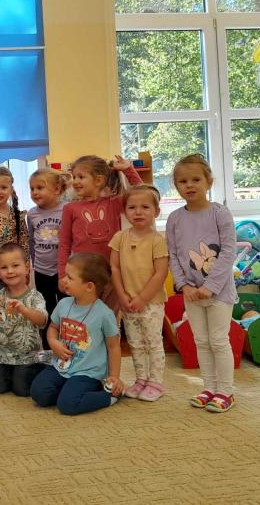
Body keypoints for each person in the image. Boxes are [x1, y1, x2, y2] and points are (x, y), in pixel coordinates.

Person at [166, 154, 238, 413]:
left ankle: (225, 392)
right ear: (176, 186)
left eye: (196, 179)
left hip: (218, 292)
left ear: (208, 181)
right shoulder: (175, 218)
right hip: (191, 292)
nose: (189, 185)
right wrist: (183, 285)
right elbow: (173, 254)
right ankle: (208, 388)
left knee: (218, 341)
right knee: (201, 341)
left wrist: (210, 286)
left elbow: (228, 251)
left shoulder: (220, 213)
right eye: (183, 181)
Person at [30, 252, 124, 416]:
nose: (64, 280)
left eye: (70, 277)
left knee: (68, 405)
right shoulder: (63, 304)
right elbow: (53, 327)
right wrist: (53, 342)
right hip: (61, 365)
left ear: (89, 287)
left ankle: (108, 396)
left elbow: (114, 346)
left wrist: (114, 377)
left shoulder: (104, 314)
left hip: (87, 372)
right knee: (38, 393)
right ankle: (71, 391)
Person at [57, 155, 143, 311]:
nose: (75, 181)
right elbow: (64, 243)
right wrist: (63, 274)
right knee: (86, 316)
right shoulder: (70, 208)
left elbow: (142, 194)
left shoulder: (113, 204)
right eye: (74, 177)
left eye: (81, 177)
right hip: (82, 274)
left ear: (98, 180)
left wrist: (128, 170)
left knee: (109, 316)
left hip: (112, 273)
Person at [109, 185, 169, 401]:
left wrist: (143, 298)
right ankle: (141, 379)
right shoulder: (120, 237)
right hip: (128, 302)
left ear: (156, 212)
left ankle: (156, 382)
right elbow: (114, 267)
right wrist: (122, 295)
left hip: (151, 302)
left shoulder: (157, 240)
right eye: (132, 207)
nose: (138, 212)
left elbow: (161, 273)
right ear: (125, 212)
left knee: (153, 342)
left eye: (145, 207)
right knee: (135, 342)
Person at [0, 243, 47, 396]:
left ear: (26, 267)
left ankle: (41, 365)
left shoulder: (35, 296)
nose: (10, 271)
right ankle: (12, 373)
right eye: (4, 267)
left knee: (22, 390)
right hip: (1, 354)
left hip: (27, 355)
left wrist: (24, 310)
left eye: (15, 265)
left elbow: (42, 320)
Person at [27, 167, 71, 322]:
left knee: (68, 308)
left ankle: (67, 336)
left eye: (40, 188)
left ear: (57, 189)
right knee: (46, 308)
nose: (34, 192)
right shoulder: (32, 213)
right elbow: (31, 240)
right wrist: (34, 263)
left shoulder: (67, 209)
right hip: (42, 271)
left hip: (65, 270)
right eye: (32, 188)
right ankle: (48, 337)